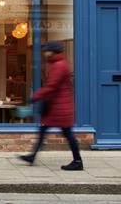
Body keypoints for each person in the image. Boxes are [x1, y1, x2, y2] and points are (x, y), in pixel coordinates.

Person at [18, 40, 83, 171]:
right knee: (44, 130)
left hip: (60, 106)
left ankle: (77, 161)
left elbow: (51, 86)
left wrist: (35, 97)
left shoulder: (59, 65)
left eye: (46, 50)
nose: (44, 53)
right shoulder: (58, 64)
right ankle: (32, 156)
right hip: (56, 105)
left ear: (52, 51)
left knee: (67, 133)